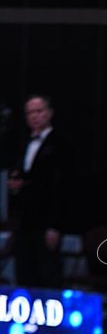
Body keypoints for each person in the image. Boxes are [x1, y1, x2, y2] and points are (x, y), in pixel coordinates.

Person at [8, 95, 64, 288]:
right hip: (25, 221)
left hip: (45, 221)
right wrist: (15, 187)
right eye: (30, 112)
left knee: (47, 274)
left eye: (39, 111)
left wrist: (55, 225)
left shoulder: (59, 144)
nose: (34, 116)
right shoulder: (24, 144)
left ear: (49, 113)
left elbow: (61, 187)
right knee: (24, 272)